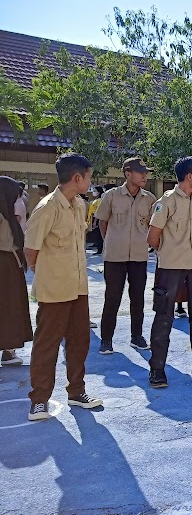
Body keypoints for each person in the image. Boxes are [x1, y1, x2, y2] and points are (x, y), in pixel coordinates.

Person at [24, 153, 103, 421]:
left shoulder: (79, 205)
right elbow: (31, 250)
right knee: (47, 344)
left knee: (80, 342)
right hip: (55, 290)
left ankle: (76, 392)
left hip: (78, 287)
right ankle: (39, 400)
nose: (90, 182)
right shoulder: (46, 207)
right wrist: (48, 273)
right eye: (89, 177)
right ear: (77, 178)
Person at [147, 156, 192, 389]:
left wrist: (189, 249)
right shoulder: (166, 201)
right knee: (164, 316)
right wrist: (170, 252)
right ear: (190, 177)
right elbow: (153, 236)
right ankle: (157, 368)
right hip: (170, 267)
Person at [94, 158, 157, 354]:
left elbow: (151, 225)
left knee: (137, 297)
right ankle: (106, 339)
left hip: (139, 256)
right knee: (112, 297)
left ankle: (136, 336)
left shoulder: (149, 199)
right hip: (115, 257)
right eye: (141, 172)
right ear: (128, 174)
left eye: (146, 172)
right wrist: (113, 242)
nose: (144, 176)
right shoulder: (111, 196)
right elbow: (102, 224)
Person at [0, 177, 33, 367]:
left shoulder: (9, 212)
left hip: (11, 264)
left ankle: (9, 350)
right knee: (8, 306)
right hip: (5, 264)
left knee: (11, 307)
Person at [85, 185, 104, 255]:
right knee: (97, 235)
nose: (93, 192)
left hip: (97, 219)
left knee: (99, 235)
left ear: (99, 192)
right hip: (95, 219)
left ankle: (99, 249)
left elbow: (97, 212)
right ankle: (97, 246)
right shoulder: (97, 200)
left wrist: (95, 222)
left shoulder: (98, 201)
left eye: (95, 191)